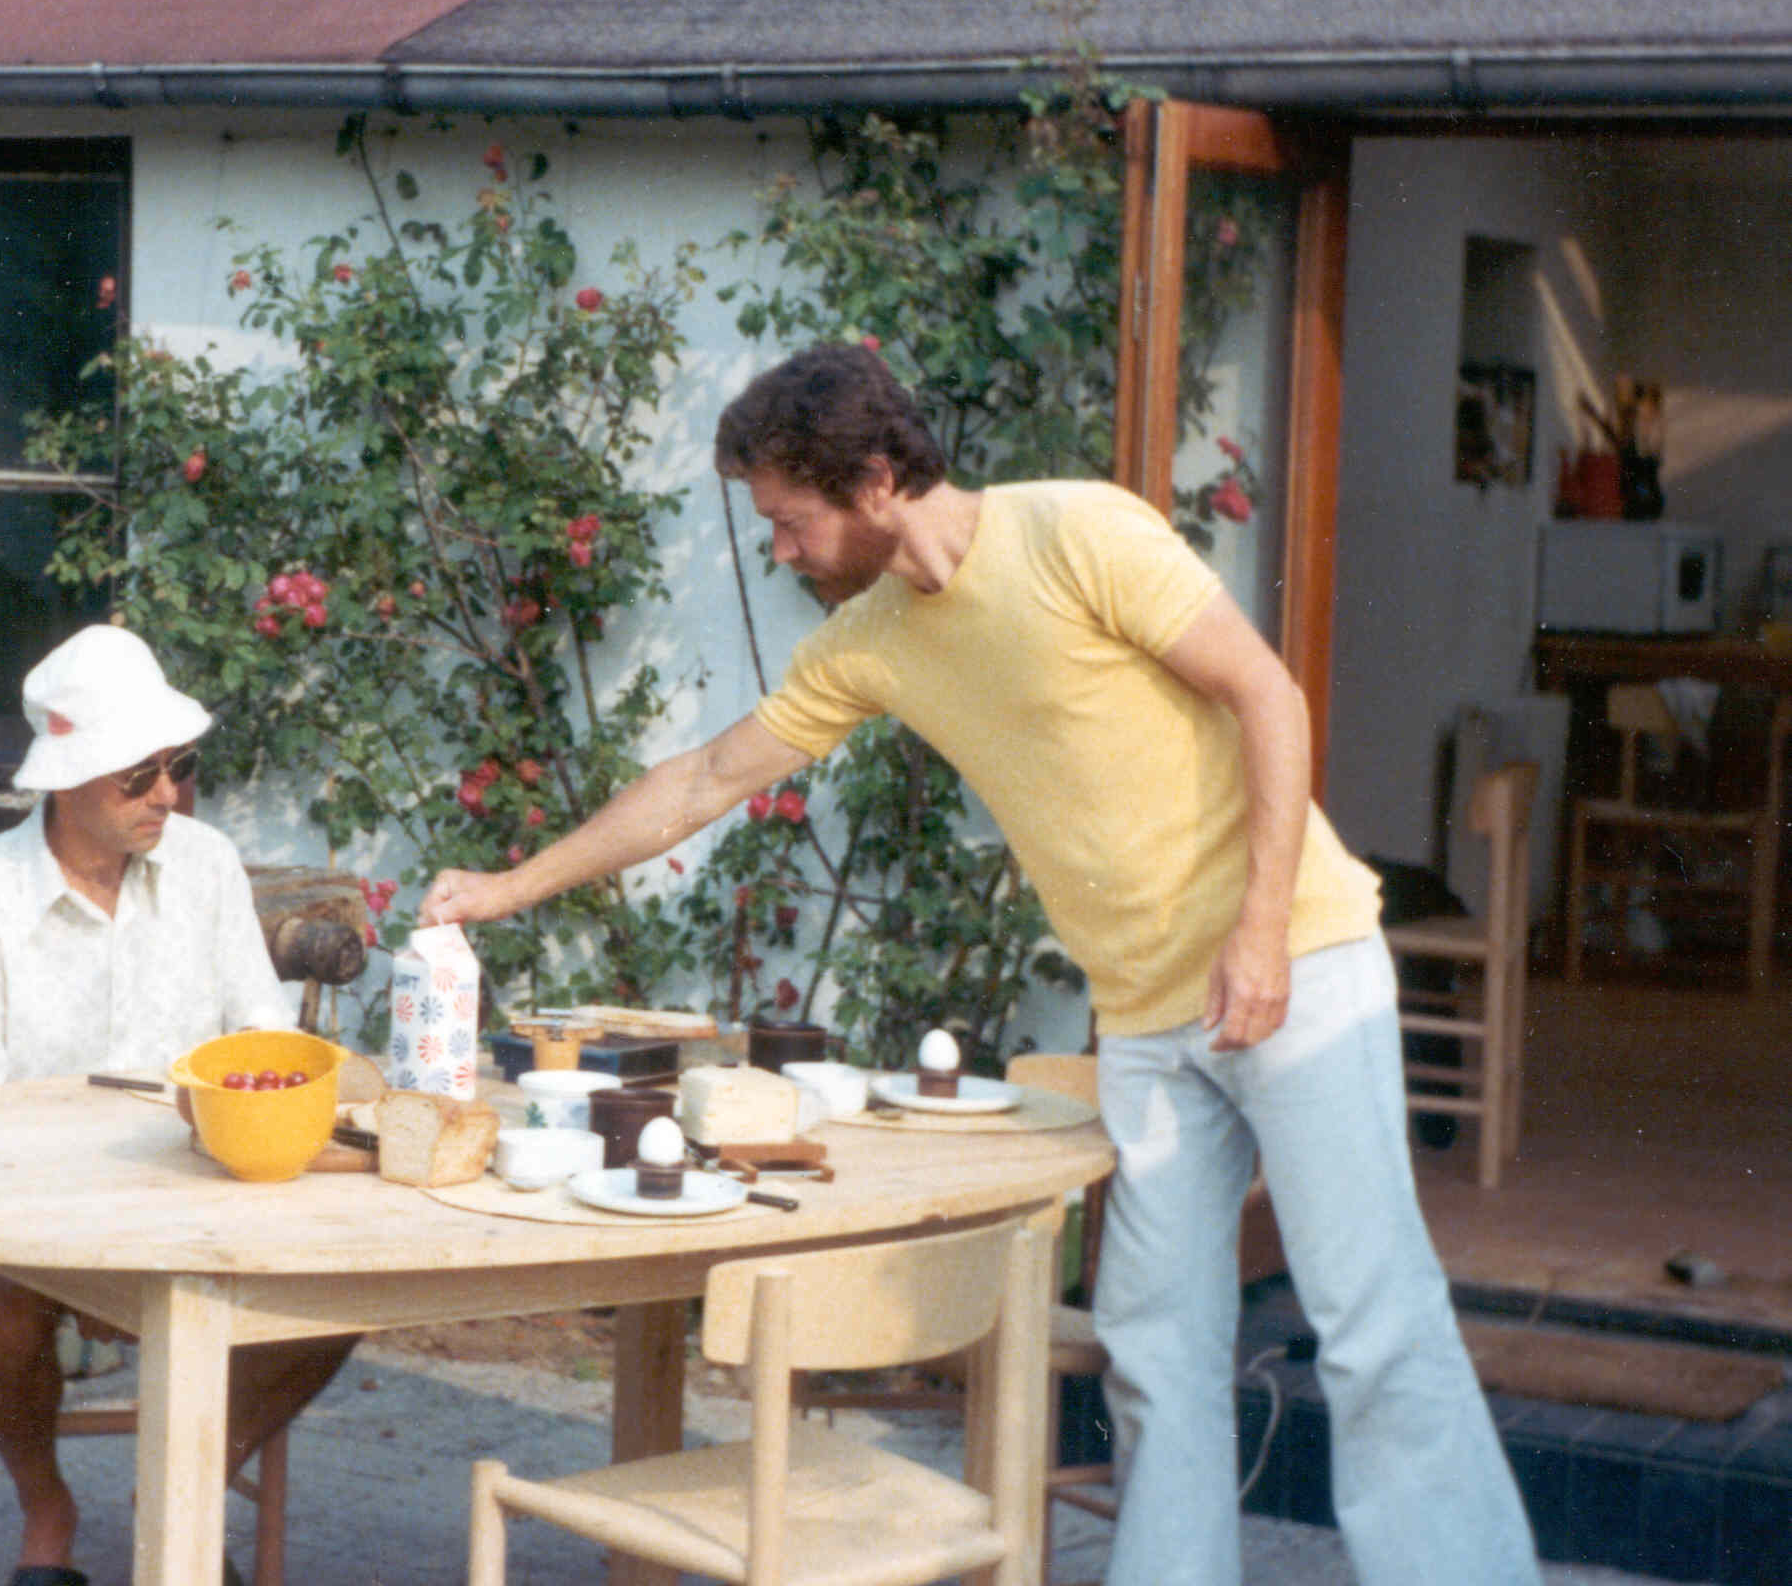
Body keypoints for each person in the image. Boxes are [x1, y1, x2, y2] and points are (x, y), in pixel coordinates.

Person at [421, 343, 1538, 1586]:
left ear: (878, 480)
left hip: (1299, 965)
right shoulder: (873, 642)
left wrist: (1262, 930)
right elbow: (700, 782)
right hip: (1150, 1018)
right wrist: (507, 887)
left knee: (1375, 1334)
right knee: (1155, 1352)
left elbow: (1269, 697)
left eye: (790, 524)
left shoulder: (1077, 534)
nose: (779, 553)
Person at [0, 623, 355, 1586]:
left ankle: (181, 1489)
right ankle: (47, 1515)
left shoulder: (206, 864)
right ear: (67, 779)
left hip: (196, 1193)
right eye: (136, 775)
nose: (166, 795)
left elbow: (263, 1043)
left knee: (355, 1275)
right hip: (34, 1216)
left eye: (178, 767)